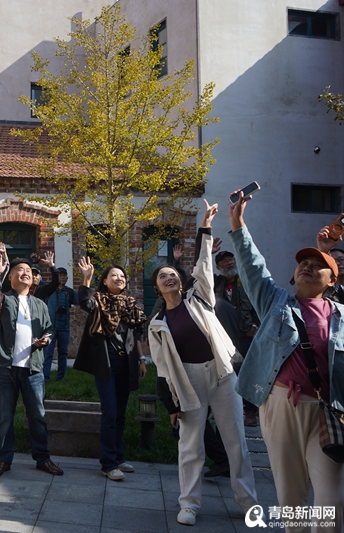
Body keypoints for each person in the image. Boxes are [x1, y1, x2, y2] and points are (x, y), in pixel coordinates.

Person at [231, 193, 343, 533]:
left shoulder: (341, 316)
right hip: (281, 404)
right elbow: (252, 267)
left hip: (327, 410)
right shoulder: (275, 303)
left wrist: (326, 245)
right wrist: (238, 224)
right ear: (294, 276)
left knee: (331, 502)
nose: (307, 268)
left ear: (333, 281)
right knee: (291, 496)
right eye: (302, 265)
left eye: (317, 266)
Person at [148, 199, 257, 527]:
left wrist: (205, 228)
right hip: (189, 382)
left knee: (235, 440)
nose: (169, 279)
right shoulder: (158, 324)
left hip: (222, 375)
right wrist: (171, 403)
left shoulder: (201, 298)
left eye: (172, 275)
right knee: (190, 445)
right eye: (162, 277)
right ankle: (189, 504)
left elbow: (202, 268)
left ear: (181, 281)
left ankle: (247, 501)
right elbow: (164, 369)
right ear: (157, 286)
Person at [0, 254, 63, 477]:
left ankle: (42, 458)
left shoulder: (39, 304)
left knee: (37, 415)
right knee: (5, 416)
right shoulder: (2, 299)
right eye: (19, 269)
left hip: (33, 369)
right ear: (12, 276)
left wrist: (45, 339)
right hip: (6, 369)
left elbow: (49, 328)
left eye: (28, 270)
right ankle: (3, 460)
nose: (25, 272)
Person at [74, 259, 146, 481]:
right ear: (104, 281)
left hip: (127, 363)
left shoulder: (130, 303)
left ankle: (118, 457)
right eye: (113, 275)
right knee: (110, 413)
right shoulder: (99, 300)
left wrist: (142, 359)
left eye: (122, 276)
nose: (119, 278)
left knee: (121, 414)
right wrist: (87, 277)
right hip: (107, 363)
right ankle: (108, 463)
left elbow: (135, 334)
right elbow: (84, 303)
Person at [44, 267, 78, 381]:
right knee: (48, 352)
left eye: (64, 275)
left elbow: (82, 298)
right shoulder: (49, 290)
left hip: (64, 327)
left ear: (67, 278)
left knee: (63, 353)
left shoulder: (70, 292)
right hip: (51, 327)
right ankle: (45, 377)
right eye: (60, 275)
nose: (62, 277)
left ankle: (60, 377)